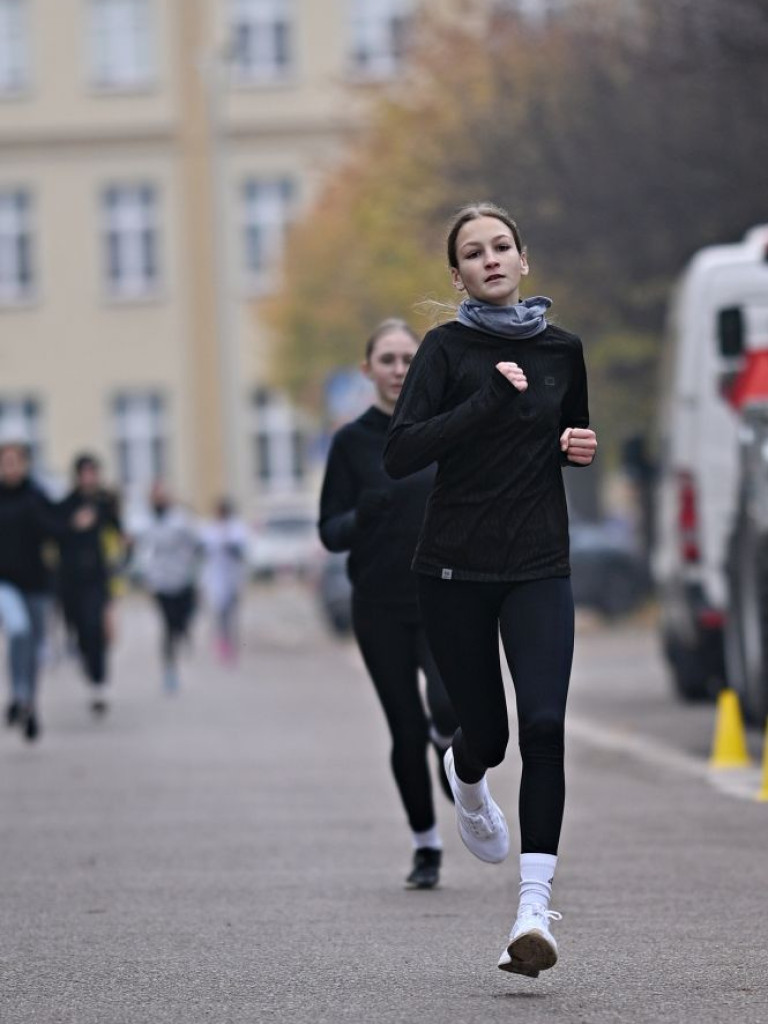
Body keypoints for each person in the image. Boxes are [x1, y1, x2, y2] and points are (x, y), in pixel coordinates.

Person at [384, 203, 597, 973]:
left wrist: (577, 447)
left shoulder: (563, 349)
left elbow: (566, 435)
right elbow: (401, 454)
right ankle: (465, 775)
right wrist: (486, 402)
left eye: (502, 246)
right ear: (458, 275)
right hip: (454, 569)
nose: (491, 259)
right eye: (474, 253)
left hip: (538, 563)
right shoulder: (445, 350)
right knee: (490, 737)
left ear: (523, 259)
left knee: (543, 727)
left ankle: (532, 912)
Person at [319, 318, 459, 890]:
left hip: (441, 596)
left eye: (408, 359)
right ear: (367, 370)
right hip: (378, 606)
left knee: (448, 706)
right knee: (404, 728)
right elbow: (330, 531)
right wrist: (362, 516)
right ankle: (426, 846)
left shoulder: (442, 429)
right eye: (388, 360)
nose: (399, 370)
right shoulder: (351, 443)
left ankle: (448, 744)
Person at [0, 438, 75, 742]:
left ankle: (29, 703)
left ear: (25, 464)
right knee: (18, 630)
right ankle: (18, 691)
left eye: (15, 461)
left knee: (34, 646)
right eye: (5, 462)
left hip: (37, 583)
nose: (10, 467)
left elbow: (57, 529)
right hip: (4, 582)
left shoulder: (36, 496)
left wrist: (73, 524)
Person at [57, 453, 125, 716]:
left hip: (97, 578)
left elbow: (119, 533)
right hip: (70, 580)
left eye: (92, 472)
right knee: (80, 631)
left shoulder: (104, 503)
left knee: (95, 627)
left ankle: (99, 683)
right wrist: (73, 525)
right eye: (84, 473)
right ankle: (89, 667)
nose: (89, 478)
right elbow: (54, 533)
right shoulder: (66, 505)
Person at [137, 482, 200, 693]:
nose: (159, 500)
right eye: (156, 497)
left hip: (182, 580)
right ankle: (170, 670)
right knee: (167, 627)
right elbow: (143, 553)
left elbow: (195, 545)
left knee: (183, 621)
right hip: (160, 583)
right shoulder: (145, 522)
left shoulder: (181, 520)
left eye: (163, 496)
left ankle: (183, 633)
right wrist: (147, 579)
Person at [199, 498, 249, 663]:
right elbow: (203, 550)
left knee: (231, 613)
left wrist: (227, 544)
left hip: (232, 577)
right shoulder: (210, 528)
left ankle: (231, 643)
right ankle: (222, 642)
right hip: (215, 578)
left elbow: (241, 551)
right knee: (219, 613)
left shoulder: (236, 528)